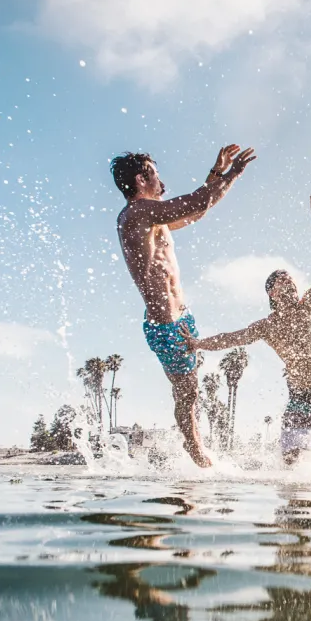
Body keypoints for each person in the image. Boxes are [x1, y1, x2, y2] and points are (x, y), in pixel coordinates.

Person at [182, 197, 311, 481]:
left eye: (291, 278)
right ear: (272, 293)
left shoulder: (310, 304)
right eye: (282, 280)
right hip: (299, 396)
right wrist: (198, 344)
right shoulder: (268, 327)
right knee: (288, 461)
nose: (290, 281)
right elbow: (231, 338)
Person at [112, 145, 255, 468]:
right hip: (165, 324)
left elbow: (197, 211)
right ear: (141, 177)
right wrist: (230, 173)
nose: (162, 181)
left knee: (189, 388)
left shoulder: (152, 217)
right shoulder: (137, 213)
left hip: (182, 318)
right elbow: (197, 200)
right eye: (156, 173)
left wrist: (218, 174)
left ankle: (195, 449)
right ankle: (196, 453)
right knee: (187, 390)